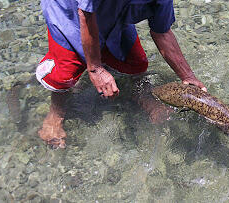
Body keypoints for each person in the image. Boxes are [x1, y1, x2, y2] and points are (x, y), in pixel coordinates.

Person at [36, 0, 207, 149]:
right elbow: (86, 15)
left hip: (115, 13)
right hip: (71, 14)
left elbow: (161, 32)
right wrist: (95, 68)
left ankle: (142, 94)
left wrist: (188, 76)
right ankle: (56, 113)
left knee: (137, 64)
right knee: (65, 74)